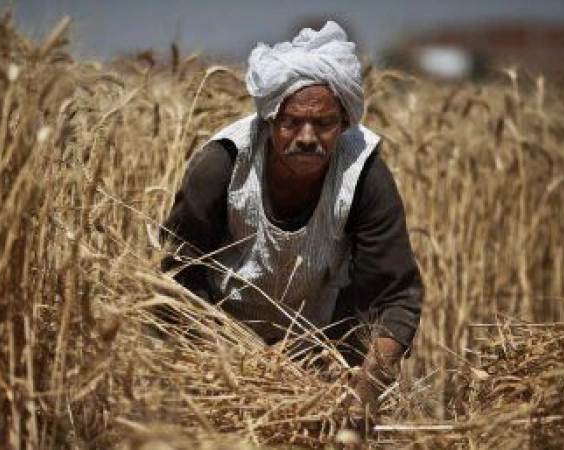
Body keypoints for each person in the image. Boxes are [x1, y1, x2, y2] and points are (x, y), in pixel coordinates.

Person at [161, 21, 423, 417]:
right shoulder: (223, 165)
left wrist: (366, 388)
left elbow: (396, 295)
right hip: (219, 354)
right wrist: (211, 366)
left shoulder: (364, 175)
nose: (306, 137)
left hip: (322, 352)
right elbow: (176, 275)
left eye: (324, 123)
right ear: (269, 120)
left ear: (344, 123)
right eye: (291, 122)